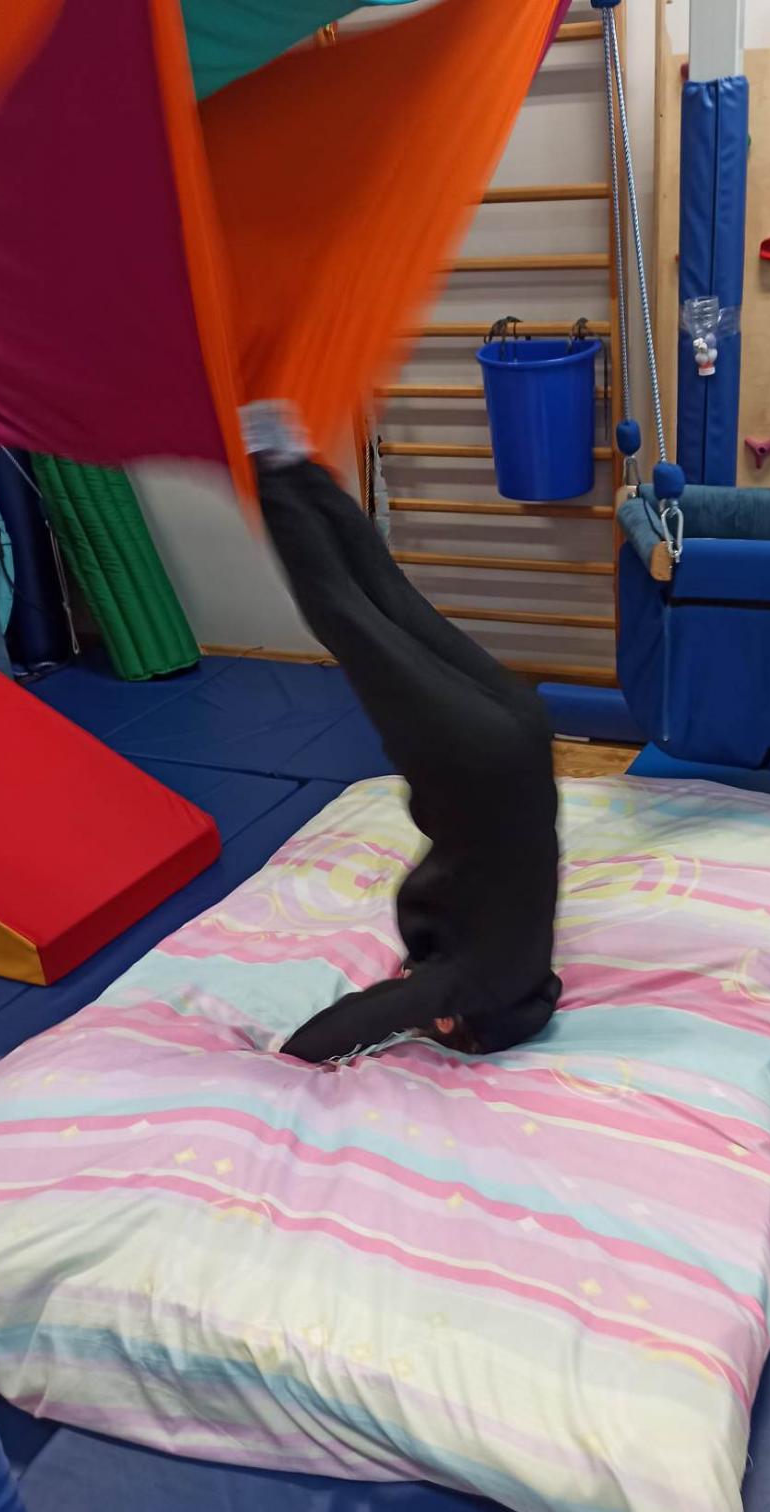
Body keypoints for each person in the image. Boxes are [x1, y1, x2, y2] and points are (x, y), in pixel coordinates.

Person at [248, 408, 561, 1064]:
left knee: (390, 598)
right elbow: (339, 1029)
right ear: (451, 1021)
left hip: (529, 737)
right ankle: (270, 462)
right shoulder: (472, 984)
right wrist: (288, 1057)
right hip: (473, 759)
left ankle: (297, 460)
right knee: (347, 619)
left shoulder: (531, 966)